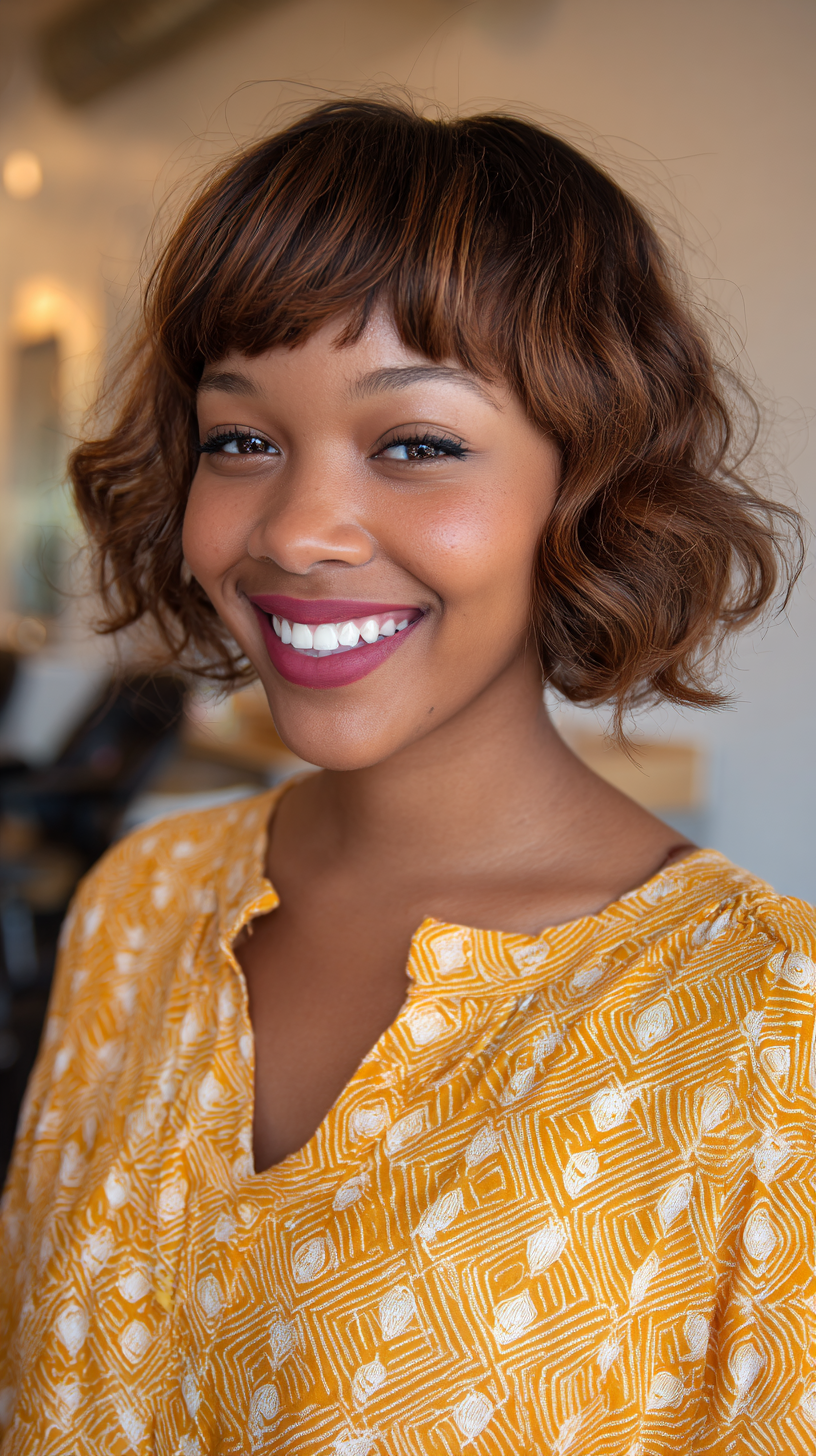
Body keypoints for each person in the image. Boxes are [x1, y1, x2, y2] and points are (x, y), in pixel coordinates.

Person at [1, 99, 813, 1456]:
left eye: (417, 444)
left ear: (588, 487)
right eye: (242, 439)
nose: (301, 531)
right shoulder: (138, 904)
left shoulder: (762, 1035)